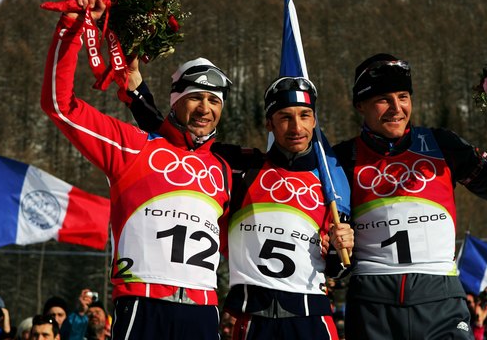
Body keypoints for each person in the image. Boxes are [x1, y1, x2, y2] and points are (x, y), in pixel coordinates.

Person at [41, 0, 232, 339]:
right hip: (143, 305)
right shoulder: (134, 146)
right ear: (175, 102)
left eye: (213, 100)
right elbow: (60, 105)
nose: (205, 108)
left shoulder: (223, 167)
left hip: (204, 310)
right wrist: (71, 29)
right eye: (194, 98)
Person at [331, 53, 487, 339]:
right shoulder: (341, 159)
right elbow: (330, 249)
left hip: (440, 302)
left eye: (404, 96)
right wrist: (335, 245)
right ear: (361, 104)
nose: (397, 108)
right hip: (374, 307)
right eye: (383, 99)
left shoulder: (441, 144)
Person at [124, 74, 354, 339]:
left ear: (314, 121)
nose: (296, 127)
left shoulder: (332, 179)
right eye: (285, 117)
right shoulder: (242, 166)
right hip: (252, 319)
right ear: (269, 124)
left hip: (311, 318)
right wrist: (136, 90)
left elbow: (340, 269)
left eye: (304, 116)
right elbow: (176, 139)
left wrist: (340, 249)